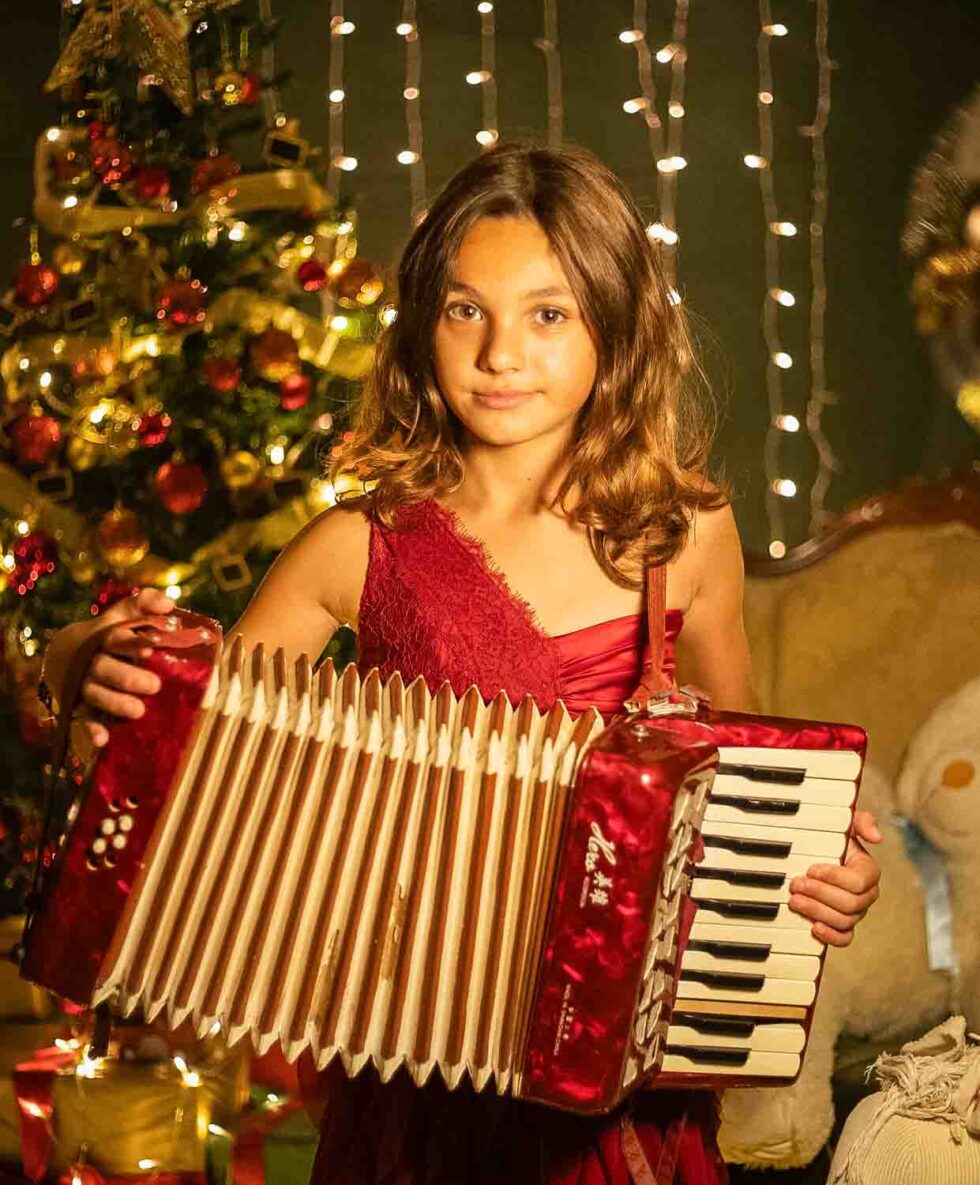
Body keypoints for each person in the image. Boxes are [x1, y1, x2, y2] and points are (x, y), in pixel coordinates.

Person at [40, 142, 881, 1185]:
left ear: (613, 330)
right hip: (415, 1091)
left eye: (547, 314)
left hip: (621, 1098)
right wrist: (80, 662)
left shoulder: (685, 533)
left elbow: (748, 781)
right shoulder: (356, 548)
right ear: (419, 325)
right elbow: (171, 748)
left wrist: (812, 865)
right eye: (463, 310)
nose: (498, 354)